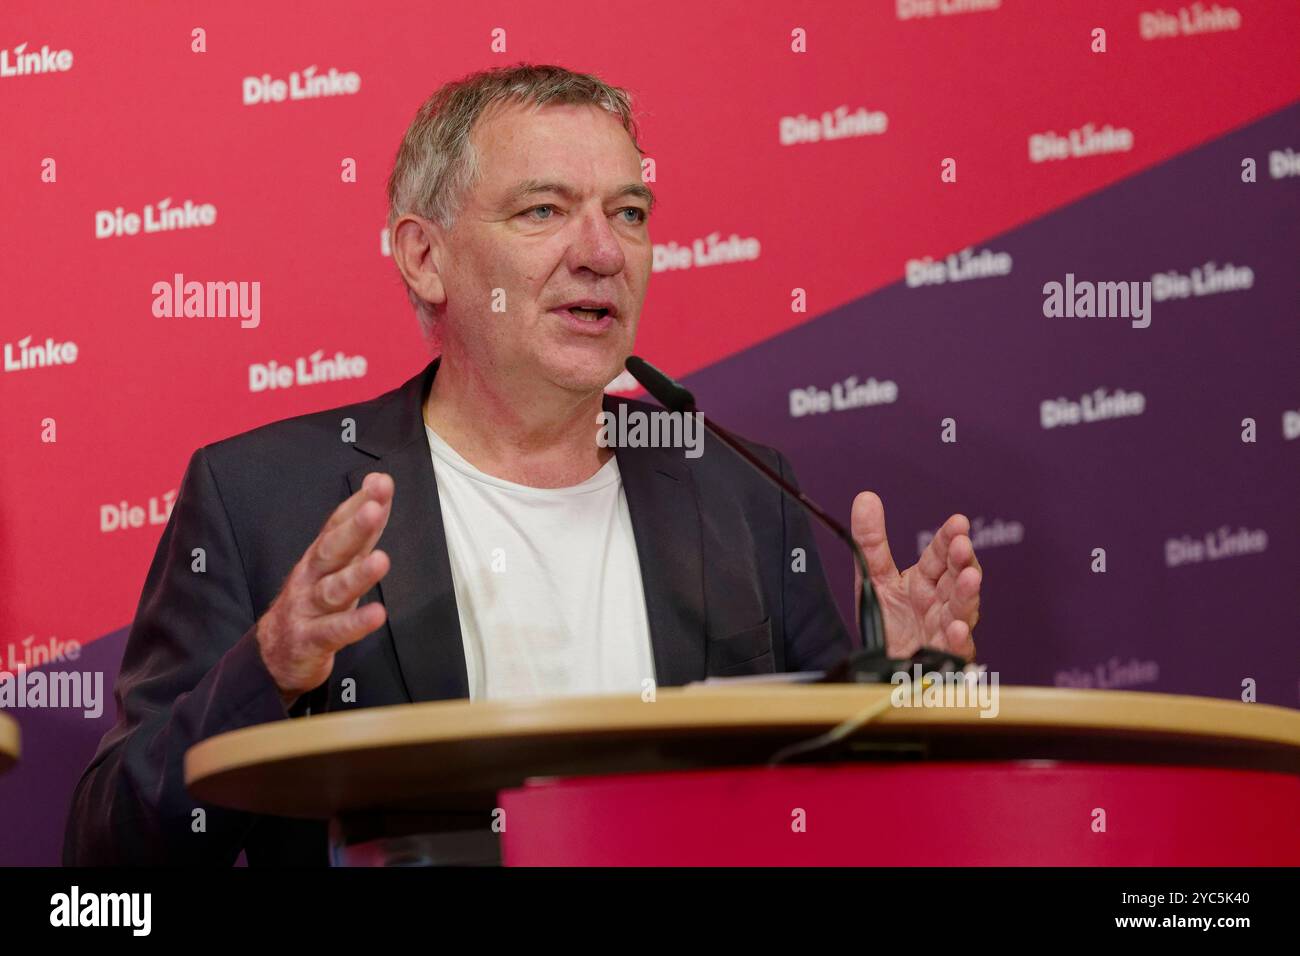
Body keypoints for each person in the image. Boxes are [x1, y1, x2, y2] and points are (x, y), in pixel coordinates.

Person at [64, 63, 981, 866]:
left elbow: (832, 827)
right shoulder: (263, 498)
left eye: (630, 213)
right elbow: (108, 855)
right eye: (543, 210)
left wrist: (900, 701)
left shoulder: (741, 490)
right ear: (426, 258)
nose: (601, 252)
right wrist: (266, 670)